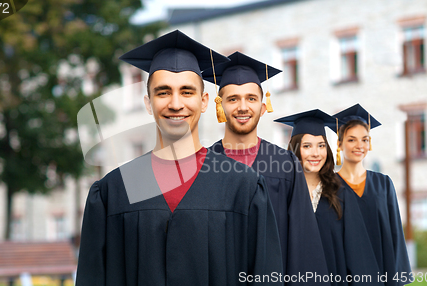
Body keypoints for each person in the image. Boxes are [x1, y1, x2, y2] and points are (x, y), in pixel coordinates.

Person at [75, 30, 283, 286]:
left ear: (204, 101)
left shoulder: (245, 187)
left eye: (187, 92)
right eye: (163, 93)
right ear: (148, 103)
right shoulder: (113, 191)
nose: (175, 104)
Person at [204, 52, 329, 285]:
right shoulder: (202, 165)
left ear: (263, 107)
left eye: (251, 98)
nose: (243, 107)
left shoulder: (286, 165)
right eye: (233, 99)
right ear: (219, 106)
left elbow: (303, 244)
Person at [334, 103, 411, 285]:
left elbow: (395, 235)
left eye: (365, 139)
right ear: (339, 143)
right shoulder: (329, 187)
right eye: (351, 139)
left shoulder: (383, 184)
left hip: (382, 274)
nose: (359, 145)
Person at [276, 109, 348, 285]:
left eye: (321, 145)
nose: (316, 153)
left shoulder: (341, 192)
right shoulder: (281, 192)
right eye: (307, 146)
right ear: (294, 149)